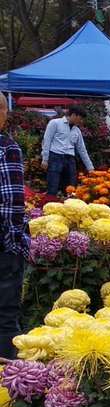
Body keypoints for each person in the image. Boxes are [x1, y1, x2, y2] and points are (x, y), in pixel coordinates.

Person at [0, 96, 29, 359]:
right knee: (6, 312)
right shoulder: (6, 148)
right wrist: (13, 242)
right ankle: (6, 383)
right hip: (3, 242)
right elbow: (12, 201)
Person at [41, 105, 94, 196]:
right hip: (55, 156)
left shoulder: (77, 130)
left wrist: (90, 168)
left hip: (70, 159)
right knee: (53, 186)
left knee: (71, 188)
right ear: (73, 115)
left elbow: (82, 150)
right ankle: (50, 206)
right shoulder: (55, 123)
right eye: (80, 118)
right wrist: (45, 159)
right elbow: (47, 141)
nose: (81, 121)